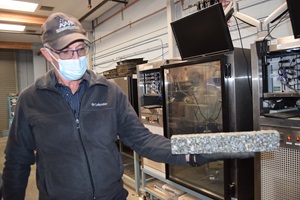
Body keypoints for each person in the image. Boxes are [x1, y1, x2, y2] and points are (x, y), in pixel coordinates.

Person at [2, 12, 253, 200]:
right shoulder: (31, 99)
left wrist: (200, 149)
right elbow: (16, 162)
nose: (76, 58)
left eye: (81, 49)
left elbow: (144, 141)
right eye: (67, 52)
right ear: (48, 54)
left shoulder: (108, 91)